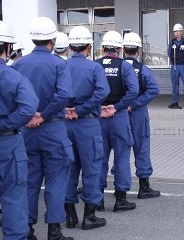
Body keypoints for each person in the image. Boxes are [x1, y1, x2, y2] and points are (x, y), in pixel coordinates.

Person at [12, 17, 74, 240]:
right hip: (53, 129)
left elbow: (12, 97)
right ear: (53, 39)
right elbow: (64, 94)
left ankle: (27, 230)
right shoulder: (59, 64)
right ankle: (54, 231)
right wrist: (45, 115)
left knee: (29, 182)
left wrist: (29, 116)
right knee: (56, 180)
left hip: (26, 130)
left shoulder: (18, 64)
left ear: (32, 38)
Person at [64, 26, 110, 230]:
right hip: (88, 123)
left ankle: (70, 214)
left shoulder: (62, 66)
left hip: (65, 122)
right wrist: (82, 109)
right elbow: (102, 92)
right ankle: (89, 217)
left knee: (68, 169)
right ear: (89, 47)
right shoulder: (94, 68)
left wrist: (67, 109)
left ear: (70, 46)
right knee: (91, 168)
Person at [0, 20, 39, 239]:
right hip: (7, 143)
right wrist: (5, 123)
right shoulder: (14, 76)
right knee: (13, 197)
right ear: (8, 48)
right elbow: (28, 108)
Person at [95, 30, 138, 212]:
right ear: (120, 49)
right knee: (121, 158)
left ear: (103, 48)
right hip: (118, 116)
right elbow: (133, 91)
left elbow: (88, 90)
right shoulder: (124, 66)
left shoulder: (95, 65)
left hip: (98, 117)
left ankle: (97, 200)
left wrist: (100, 107)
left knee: (99, 159)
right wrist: (117, 106)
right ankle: (120, 200)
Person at [123, 32, 161, 199]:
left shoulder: (117, 67)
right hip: (137, 114)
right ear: (138, 50)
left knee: (121, 150)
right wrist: (135, 103)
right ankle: (144, 187)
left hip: (119, 114)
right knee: (142, 148)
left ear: (123, 49)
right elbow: (154, 89)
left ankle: (120, 189)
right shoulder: (142, 69)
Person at [167, 23, 184, 109]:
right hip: (174, 66)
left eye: (178, 31)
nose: (177, 33)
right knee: (175, 84)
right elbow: (169, 53)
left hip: (183, 66)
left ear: (182, 32)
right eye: (175, 31)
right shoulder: (172, 42)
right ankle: (175, 102)